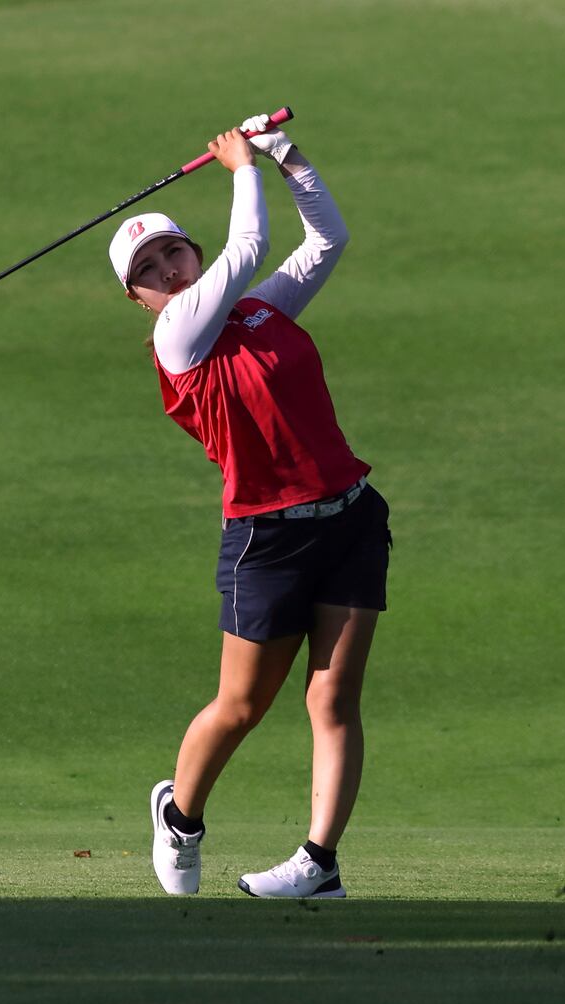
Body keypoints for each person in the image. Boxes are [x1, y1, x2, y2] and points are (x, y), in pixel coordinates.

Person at [108, 114, 390, 898]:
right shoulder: (178, 337)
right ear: (138, 297)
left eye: (173, 250)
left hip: (349, 517)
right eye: (149, 267)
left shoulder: (261, 312)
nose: (167, 267)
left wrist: (287, 158)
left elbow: (325, 242)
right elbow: (248, 248)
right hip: (267, 537)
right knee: (241, 705)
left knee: (333, 697)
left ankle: (319, 863)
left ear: (190, 251)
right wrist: (240, 167)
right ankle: (181, 816)